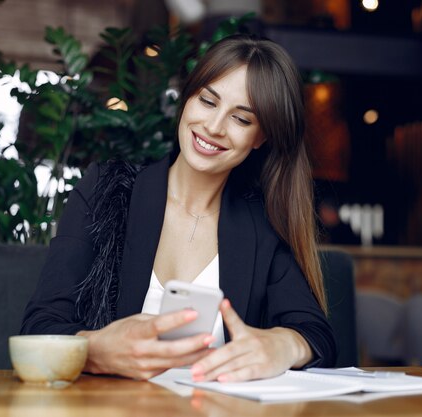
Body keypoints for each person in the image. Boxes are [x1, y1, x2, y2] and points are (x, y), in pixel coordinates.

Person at [21, 34, 337, 382]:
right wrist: (96, 350)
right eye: (207, 101)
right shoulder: (105, 190)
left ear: (260, 137)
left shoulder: (262, 226)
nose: (213, 127)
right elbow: (40, 327)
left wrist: (280, 345)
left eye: (242, 119)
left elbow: (315, 334)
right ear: (187, 98)